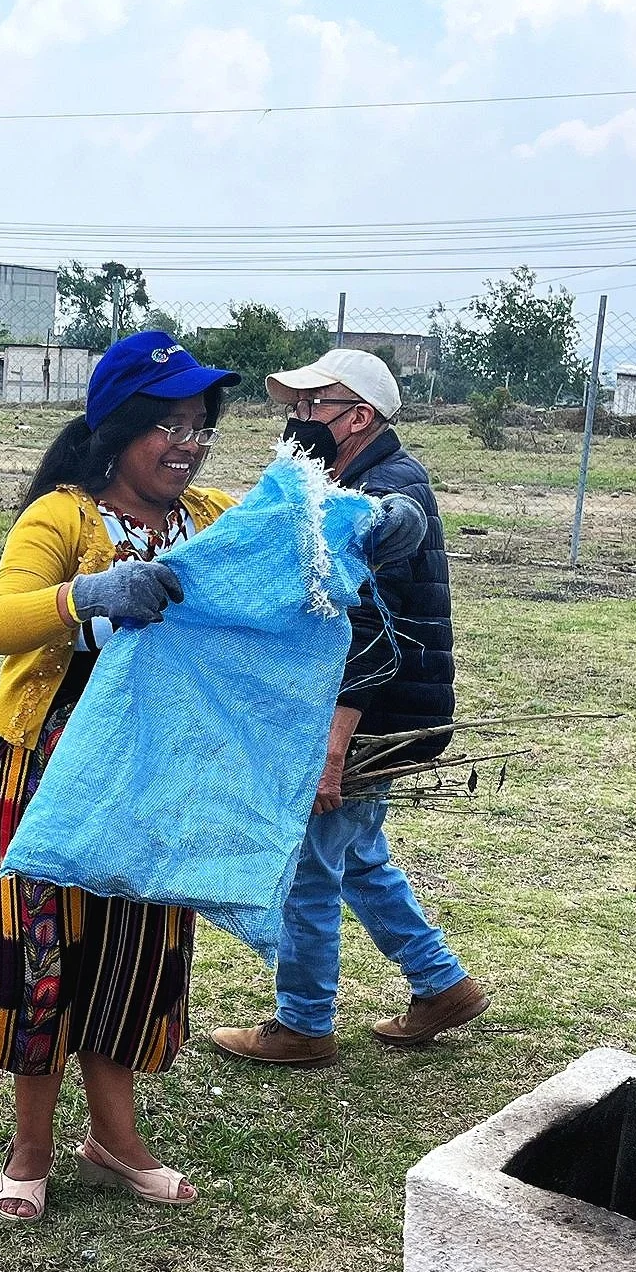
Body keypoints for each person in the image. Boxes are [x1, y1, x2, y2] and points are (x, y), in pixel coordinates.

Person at [0, 331, 243, 1221]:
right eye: (169, 423)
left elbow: (296, 545)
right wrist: (85, 597)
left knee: (132, 952)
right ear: (119, 428)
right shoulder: (64, 516)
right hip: (46, 768)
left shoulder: (210, 514)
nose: (188, 442)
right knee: (43, 954)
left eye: (199, 424)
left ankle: (114, 1141)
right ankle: (32, 1144)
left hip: (152, 772)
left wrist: (366, 522)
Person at [211, 348, 487, 1064]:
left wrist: (332, 751)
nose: (298, 419)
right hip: (392, 713)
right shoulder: (358, 479)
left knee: (311, 858)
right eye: (295, 407)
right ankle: (440, 982)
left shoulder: (383, 496)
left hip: (374, 718)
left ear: (358, 416)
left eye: (312, 406)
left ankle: (303, 1022)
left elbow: (368, 633)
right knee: (358, 853)